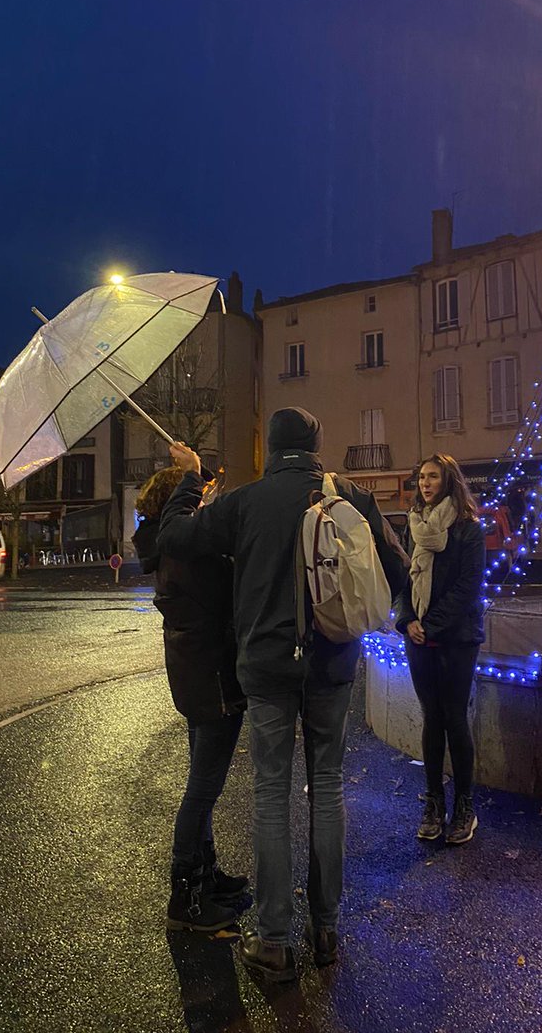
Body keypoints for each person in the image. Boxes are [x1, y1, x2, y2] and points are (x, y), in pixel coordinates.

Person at [157, 407, 408, 981]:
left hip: (267, 667)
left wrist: (192, 475)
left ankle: (273, 939)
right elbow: (396, 567)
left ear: (270, 447)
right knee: (327, 786)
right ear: (317, 447)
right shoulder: (349, 496)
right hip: (333, 663)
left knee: (271, 792)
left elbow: (174, 536)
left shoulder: (244, 502)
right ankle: (326, 928)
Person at [132, 466, 248, 934]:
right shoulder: (186, 553)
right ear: (176, 506)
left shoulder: (160, 546)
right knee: (202, 791)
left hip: (193, 677)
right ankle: (186, 898)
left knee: (202, 784)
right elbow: (229, 597)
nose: (201, 506)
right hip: (213, 679)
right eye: (195, 502)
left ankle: (206, 874)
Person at [395, 453, 486, 845]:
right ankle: (434, 802)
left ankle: (464, 805)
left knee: (454, 719)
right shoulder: (412, 528)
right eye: (421, 478)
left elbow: (468, 588)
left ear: (449, 480)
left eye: (433, 477)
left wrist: (429, 625)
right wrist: (407, 621)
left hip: (456, 638)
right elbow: (402, 579)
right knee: (432, 719)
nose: (425, 484)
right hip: (420, 639)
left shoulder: (468, 530)